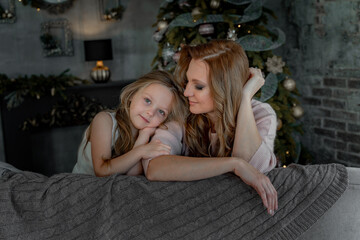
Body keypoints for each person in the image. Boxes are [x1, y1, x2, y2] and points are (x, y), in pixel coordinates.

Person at [143, 39, 278, 215]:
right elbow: (155, 167)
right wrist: (233, 164)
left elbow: (252, 166)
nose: (186, 92)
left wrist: (244, 97)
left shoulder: (261, 114)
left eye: (198, 86)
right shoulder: (183, 113)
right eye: (187, 82)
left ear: (225, 87)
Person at [72, 70, 186, 177]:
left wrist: (143, 136)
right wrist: (141, 151)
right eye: (147, 100)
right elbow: (102, 170)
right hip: (82, 186)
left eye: (161, 112)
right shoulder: (104, 121)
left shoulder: (150, 133)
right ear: (132, 94)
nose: (150, 113)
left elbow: (132, 175)